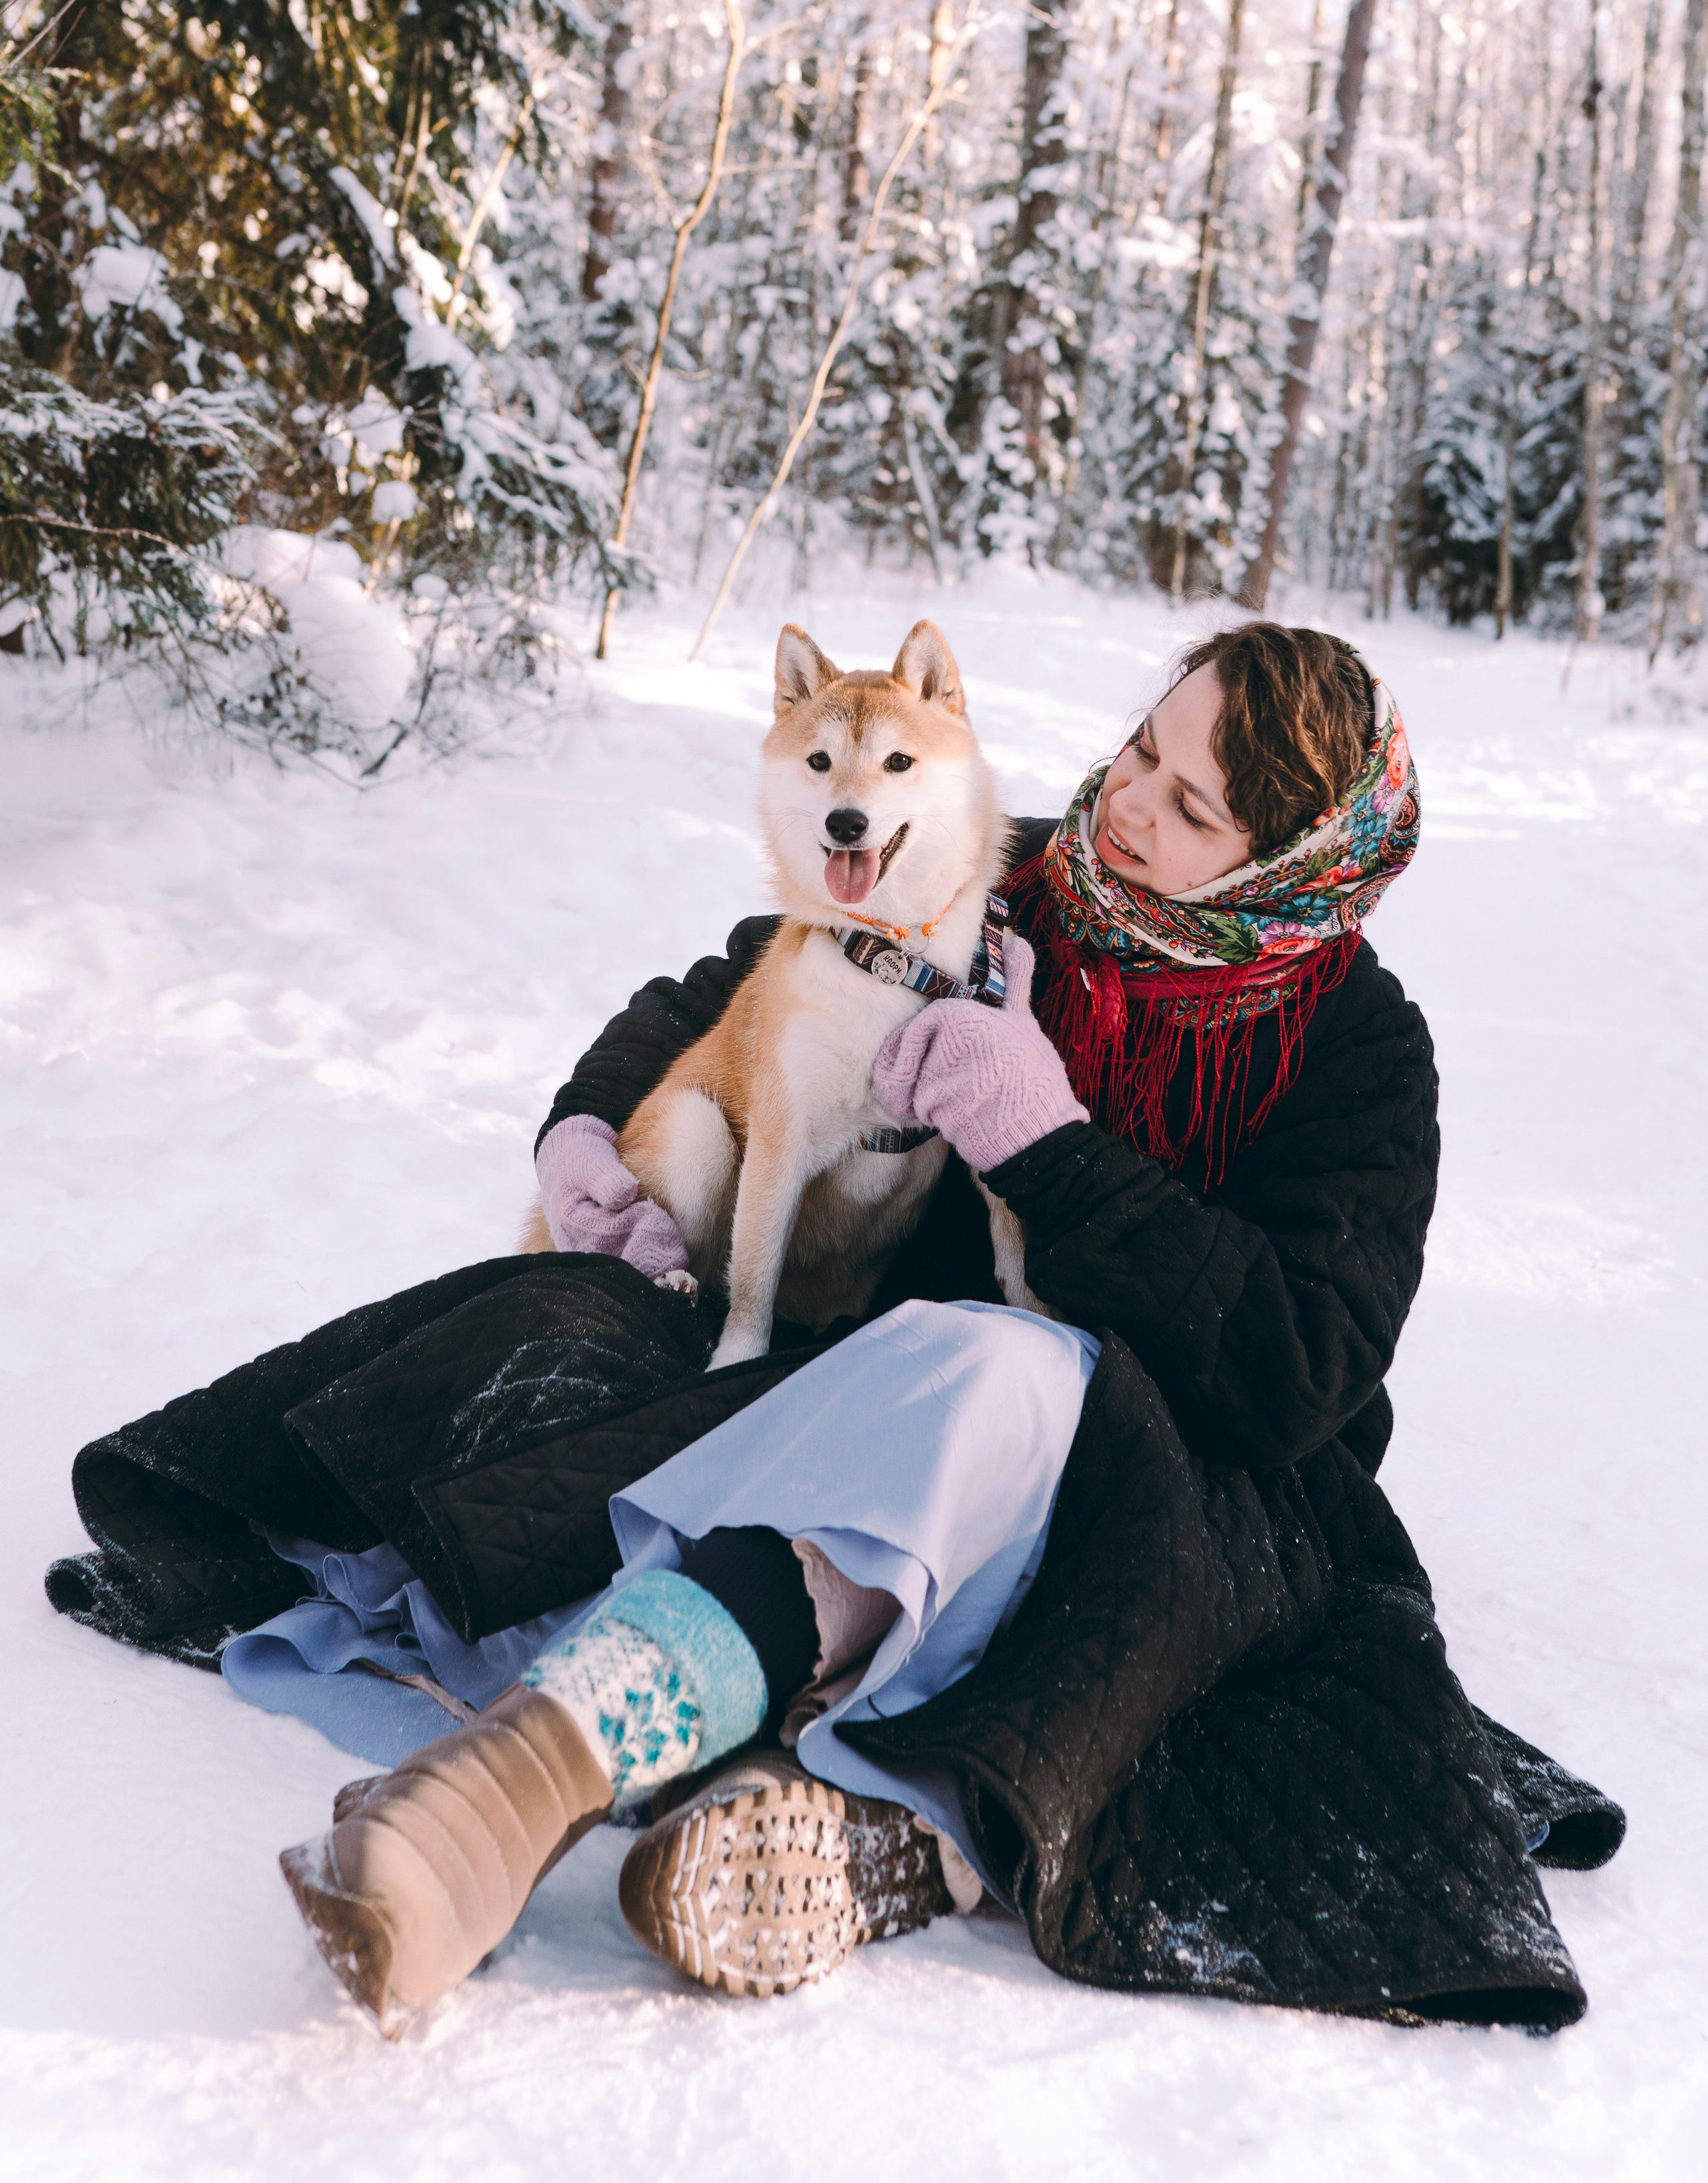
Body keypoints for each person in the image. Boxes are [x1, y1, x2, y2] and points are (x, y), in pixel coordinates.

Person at [46, 622, 1623, 2037]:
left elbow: (1297, 1371)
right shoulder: (1020, 877)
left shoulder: (1355, 1047)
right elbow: (739, 979)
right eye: (1141, 744)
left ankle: (649, 1802)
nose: (1128, 803)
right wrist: (587, 1122)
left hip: (1196, 1503)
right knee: (585, 1331)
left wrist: (1052, 1148)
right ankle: (676, 1794)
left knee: (1003, 1369)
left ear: (1290, 862)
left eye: (1191, 804)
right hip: (909, 1393)